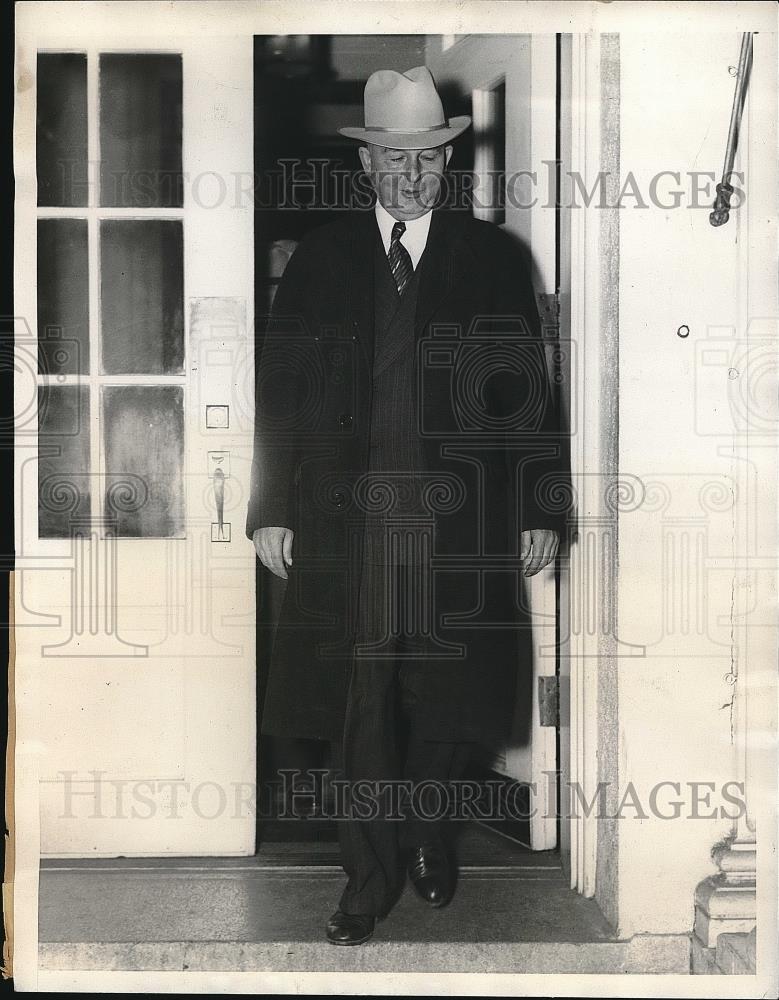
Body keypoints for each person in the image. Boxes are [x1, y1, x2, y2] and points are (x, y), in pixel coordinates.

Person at [247, 65, 566, 945]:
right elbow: (282, 392)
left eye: (427, 157)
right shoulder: (319, 260)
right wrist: (272, 504)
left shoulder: (493, 261)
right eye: (393, 156)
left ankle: (427, 834)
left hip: (454, 526)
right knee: (362, 703)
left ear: (445, 163)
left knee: (443, 698)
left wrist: (539, 506)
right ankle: (365, 879)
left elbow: (531, 397)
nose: (410, 173)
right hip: (349, 525)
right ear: (368, 164)